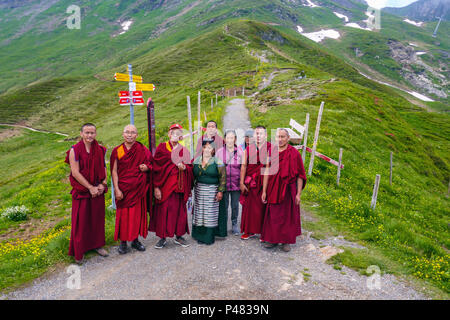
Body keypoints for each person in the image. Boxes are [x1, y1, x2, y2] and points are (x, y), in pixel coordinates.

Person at [65, 123, 109, 264]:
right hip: (83, 190)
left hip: (97, 189)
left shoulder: (100, 150)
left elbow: (104, 167)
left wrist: (103, 184)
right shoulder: (75, 150)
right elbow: (75, 172)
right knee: (81, 221)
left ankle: (97, 245)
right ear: (81, 134)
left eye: (92, 133)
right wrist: (90, 187)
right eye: (87, 133)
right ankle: (79, 250)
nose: (89, 135)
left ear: (95, 134)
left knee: (96, 219)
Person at [261, 128, 307, 252]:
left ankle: (286, 241)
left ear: (288, 138)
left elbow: (300, 175)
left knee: (288, 215)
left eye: (283, 137)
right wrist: (264, 191)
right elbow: (266, 171)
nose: (280, 139)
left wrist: (298, 194)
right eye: (278, 137)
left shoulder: (294, 153)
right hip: (273, 188)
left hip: (288, 190)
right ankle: (273, 240)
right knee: (273, 215)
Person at [149, 124, 193, 249]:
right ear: (169, 134)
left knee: (180, 212)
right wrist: (156, 188)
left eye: (178, 133)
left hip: (179, 188)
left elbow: (190, 168)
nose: (175, 135)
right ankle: (162, 238)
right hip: (164, 187)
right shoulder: (162, 148)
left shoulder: (184, 151)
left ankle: (179, 236)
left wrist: (184, 167)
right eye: (173, 132)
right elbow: (155, 168)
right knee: (163, 212)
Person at [110, 124, 152, 254]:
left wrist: (147, 167)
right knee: (123, 216)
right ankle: (123, 242)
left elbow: (152, 164)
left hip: (138, 190)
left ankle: (135, 240)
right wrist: (116, 189)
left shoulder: (142, 149)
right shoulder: (118, 151)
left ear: (137, 135)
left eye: (133, 132)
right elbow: (114, 171)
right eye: (127, 132)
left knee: (136, 216)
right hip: (123, 190)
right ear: (123, 134)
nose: (129, 134)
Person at [239, 125, 271, 241]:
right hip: (251, 183)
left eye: (261, 133)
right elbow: (243, 166)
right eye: (256, 133)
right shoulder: (248, 149)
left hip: (264, 181)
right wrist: (241, 182)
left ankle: (264, 232)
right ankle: (249, 231)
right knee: (249, 207)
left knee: (263, 207)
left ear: (266, 135)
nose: (258, 136)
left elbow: (270, 167)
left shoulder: (270, 148)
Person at [192, 141, 226, 245]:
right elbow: (192, 176)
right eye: (205, 147)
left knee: (210, 215)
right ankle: (199, 235)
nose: (207, 150)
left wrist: (220, 191)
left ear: (213, 150)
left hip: (212, 191)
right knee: (199, 214)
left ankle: (208, 237)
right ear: (202, 149)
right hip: (199, 191)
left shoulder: (218, 162)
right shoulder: (196, 161)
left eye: (209, 148)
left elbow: (223, 178)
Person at [217, 130, 244, 235]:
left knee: (235, 205)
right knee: (224, 205)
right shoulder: (219, 152)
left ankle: (234, 224)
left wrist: (242, 182)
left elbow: (243, 168)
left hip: (236, 184)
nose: (229, 140)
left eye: (232, 138)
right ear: (224, 139)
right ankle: (223, 225)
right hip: (223, 184)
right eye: (227, 138)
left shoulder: (240, 152)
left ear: (235, 139)